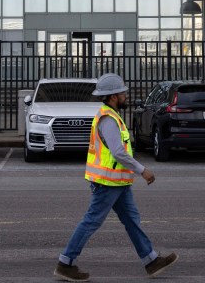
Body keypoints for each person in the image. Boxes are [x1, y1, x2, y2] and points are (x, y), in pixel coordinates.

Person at [55, 73, 178, 282]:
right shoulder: (108, 119)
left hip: (117, 182)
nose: (126, 95)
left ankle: (151, 260)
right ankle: (65, 263)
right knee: (92, 221)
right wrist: (143, 170)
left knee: (131, 220)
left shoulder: (112, 115)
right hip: (106, 183)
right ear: (113, 96)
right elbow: (118, 152)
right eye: (123, 93)